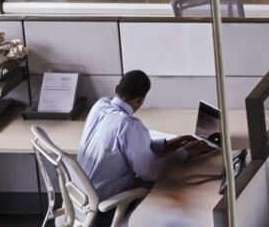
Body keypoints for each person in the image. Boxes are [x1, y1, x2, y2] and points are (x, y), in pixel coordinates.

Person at [77, 71, 206, 201]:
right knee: (168, 188)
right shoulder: (129, 125)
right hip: (103, 202)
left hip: (79, 195)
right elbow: (150, 172)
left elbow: (124, 146)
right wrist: (183, 154)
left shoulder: (100, 105)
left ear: (116, 89)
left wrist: (166, 144)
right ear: (141, 99)